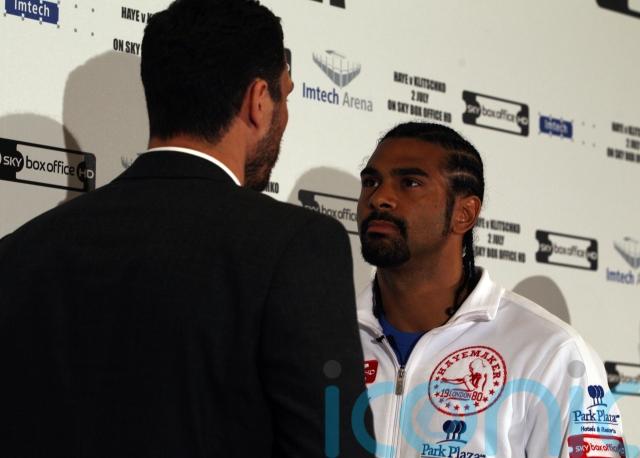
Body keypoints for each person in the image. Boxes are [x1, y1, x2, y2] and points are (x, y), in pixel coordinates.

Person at [0, 1, 373, 457]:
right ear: (258, 101)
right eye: (286, 96)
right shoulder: (296, 245)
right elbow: (334, 448)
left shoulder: (19, 252)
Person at [356, 122, 625, 457]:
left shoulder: (549, 351)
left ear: (464, 214)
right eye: (371, 182)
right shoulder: (326, 338)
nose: (379, 198)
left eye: (410, 183)